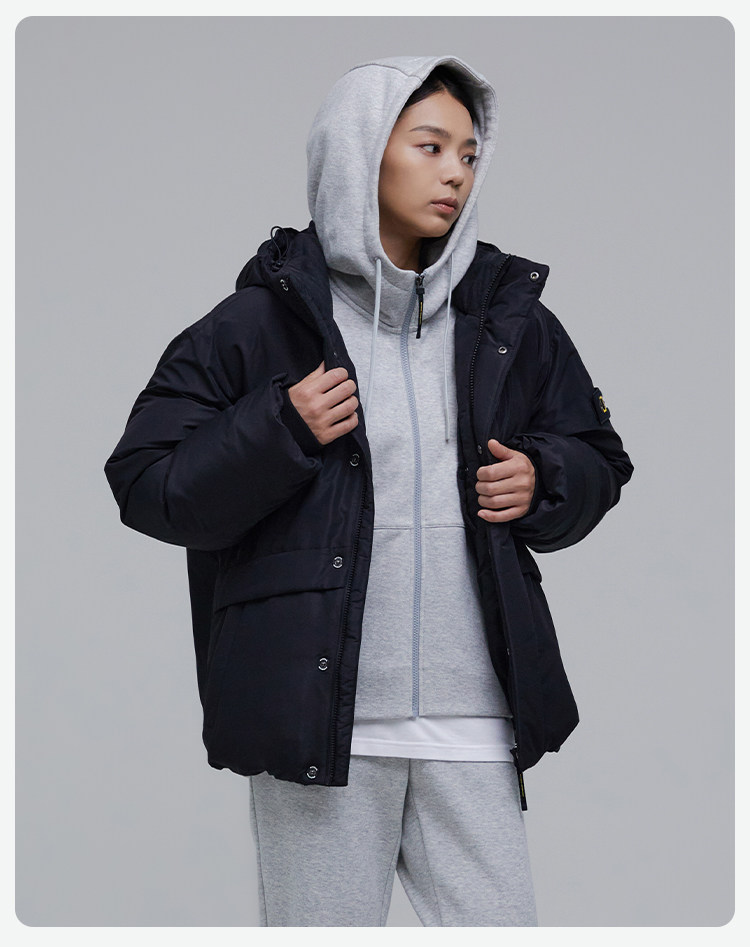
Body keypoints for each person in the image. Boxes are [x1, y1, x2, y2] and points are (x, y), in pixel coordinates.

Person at [104, 55, 633, 927]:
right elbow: (148, 482)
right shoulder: (256, 325)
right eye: (430, 145)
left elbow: (598, 457)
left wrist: (548, 477)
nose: (456, 173)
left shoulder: (508, 323)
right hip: (320, 722)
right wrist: (280, 427)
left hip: (476, 714)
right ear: (361, 151)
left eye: (469, 154)